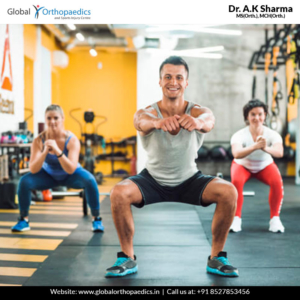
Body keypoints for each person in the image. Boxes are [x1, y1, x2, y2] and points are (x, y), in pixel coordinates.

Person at [105, 56, 239, 278]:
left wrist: (198, 123)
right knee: (119, 193)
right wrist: (157, 123)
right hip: (152, 180)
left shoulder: (196, 111)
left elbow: (209, 119)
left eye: (179, 77)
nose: (173, 81)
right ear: (160, 81)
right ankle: (127, 258)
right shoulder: (147, 112)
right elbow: (140, 121)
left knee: (229, 191)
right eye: (167, 77)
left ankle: (216, 258)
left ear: (186, 82)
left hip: (190, 179)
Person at [11, 104, 104, 233]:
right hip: (48, 176)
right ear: (45, 120)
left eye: (56, 118)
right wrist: (44, 152)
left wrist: (57, 150)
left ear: (62, 119)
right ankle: (23, 220)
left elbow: (71, 169)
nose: (52, 121)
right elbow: (33, 169)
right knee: (24, 181)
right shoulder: (39, 140)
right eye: (49, 118)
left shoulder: (72, 140)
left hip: (71, 175)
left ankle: (96, 219)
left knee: (90, 180)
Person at [230, 99, 284, 233]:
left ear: (265, 115)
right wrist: (255, 146)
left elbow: (279, 152)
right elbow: (236, 154)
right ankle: (236, 219)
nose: (257, 118)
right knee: (236, 182)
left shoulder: (272, 134)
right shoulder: (239, 135)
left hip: (264, 165)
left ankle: (275, 220)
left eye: (260, 114)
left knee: (277, 183)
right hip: (243, 165)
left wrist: (265, 148)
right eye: (253, 114)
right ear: (247, 117)